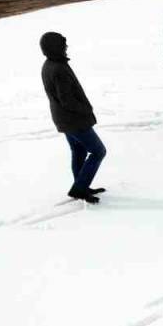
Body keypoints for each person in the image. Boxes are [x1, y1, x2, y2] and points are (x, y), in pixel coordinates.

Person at [40, 32, 107, 204]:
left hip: (63, 119)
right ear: (56, 47)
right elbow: (67, 100)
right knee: (98, 151)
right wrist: (86, 109)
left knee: (79, 151)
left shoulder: (49, 64)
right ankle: (79, 188)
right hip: (74, 120)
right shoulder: (58, 68)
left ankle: (81, 185)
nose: (66, 47)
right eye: (63, 45)